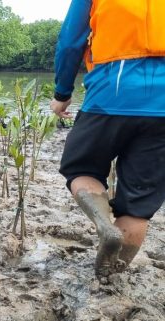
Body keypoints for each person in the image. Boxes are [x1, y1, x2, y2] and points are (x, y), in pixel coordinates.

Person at [52, 0, 165, 279]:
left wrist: (62, 92)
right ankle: (108, 278)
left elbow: (70, 42)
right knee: (138, 206)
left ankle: (104, 223)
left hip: (109, 95)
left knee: (81, 169)